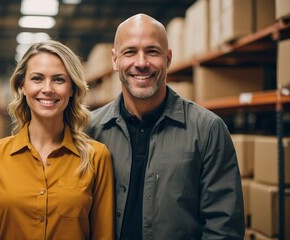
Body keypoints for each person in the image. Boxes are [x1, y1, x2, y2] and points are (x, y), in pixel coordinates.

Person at [86, 13, 245, 239]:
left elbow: (224, 227)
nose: (141, 63)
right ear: (115, 60)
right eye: (130, 52)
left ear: (168, 58)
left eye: (152, 51)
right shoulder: (89, 131)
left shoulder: (208, 130)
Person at [0, 40, 115, 239]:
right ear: (22, 87)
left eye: (59, 80)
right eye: (37, 78)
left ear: (71, 89)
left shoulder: (96, 157)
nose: (47, 88)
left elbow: (103, 235)